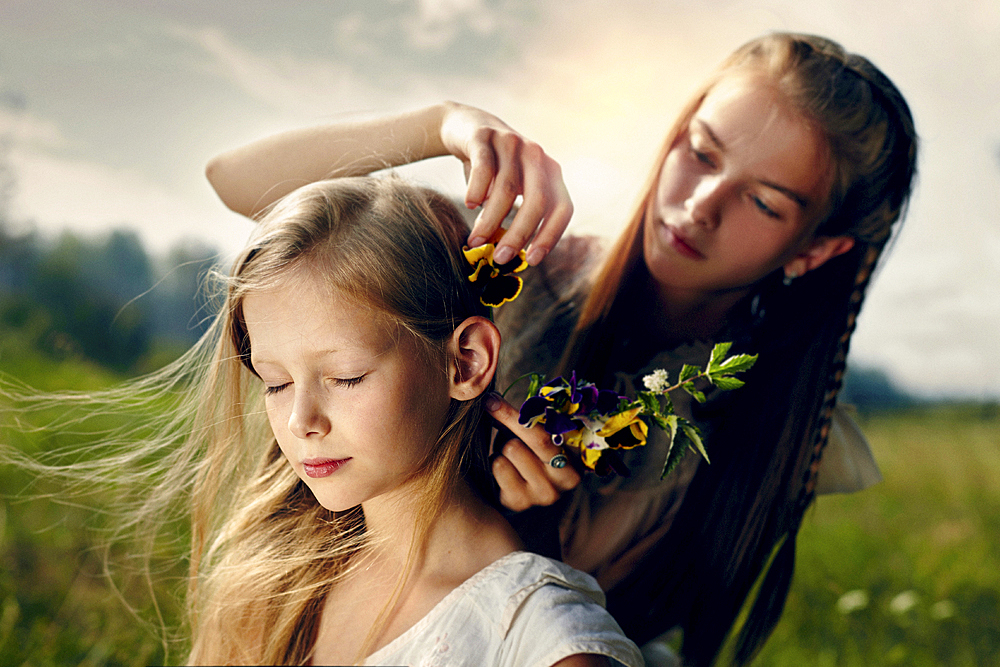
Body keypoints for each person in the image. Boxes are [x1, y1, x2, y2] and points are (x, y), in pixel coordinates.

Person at [204, 32, 917, 665]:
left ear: (817, 249)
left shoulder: (741, 434)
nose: (700, 204)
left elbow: (560, 627)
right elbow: (237, 182)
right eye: (700, 152)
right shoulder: (522, 262)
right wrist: (443, 124)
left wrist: (532, 533)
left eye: (764, 201)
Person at [1, 176, 644, 666]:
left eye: (344, 377)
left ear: (466, 362)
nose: (301, 420)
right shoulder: (279, 577)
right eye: (274, 382)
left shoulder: (541, 637)